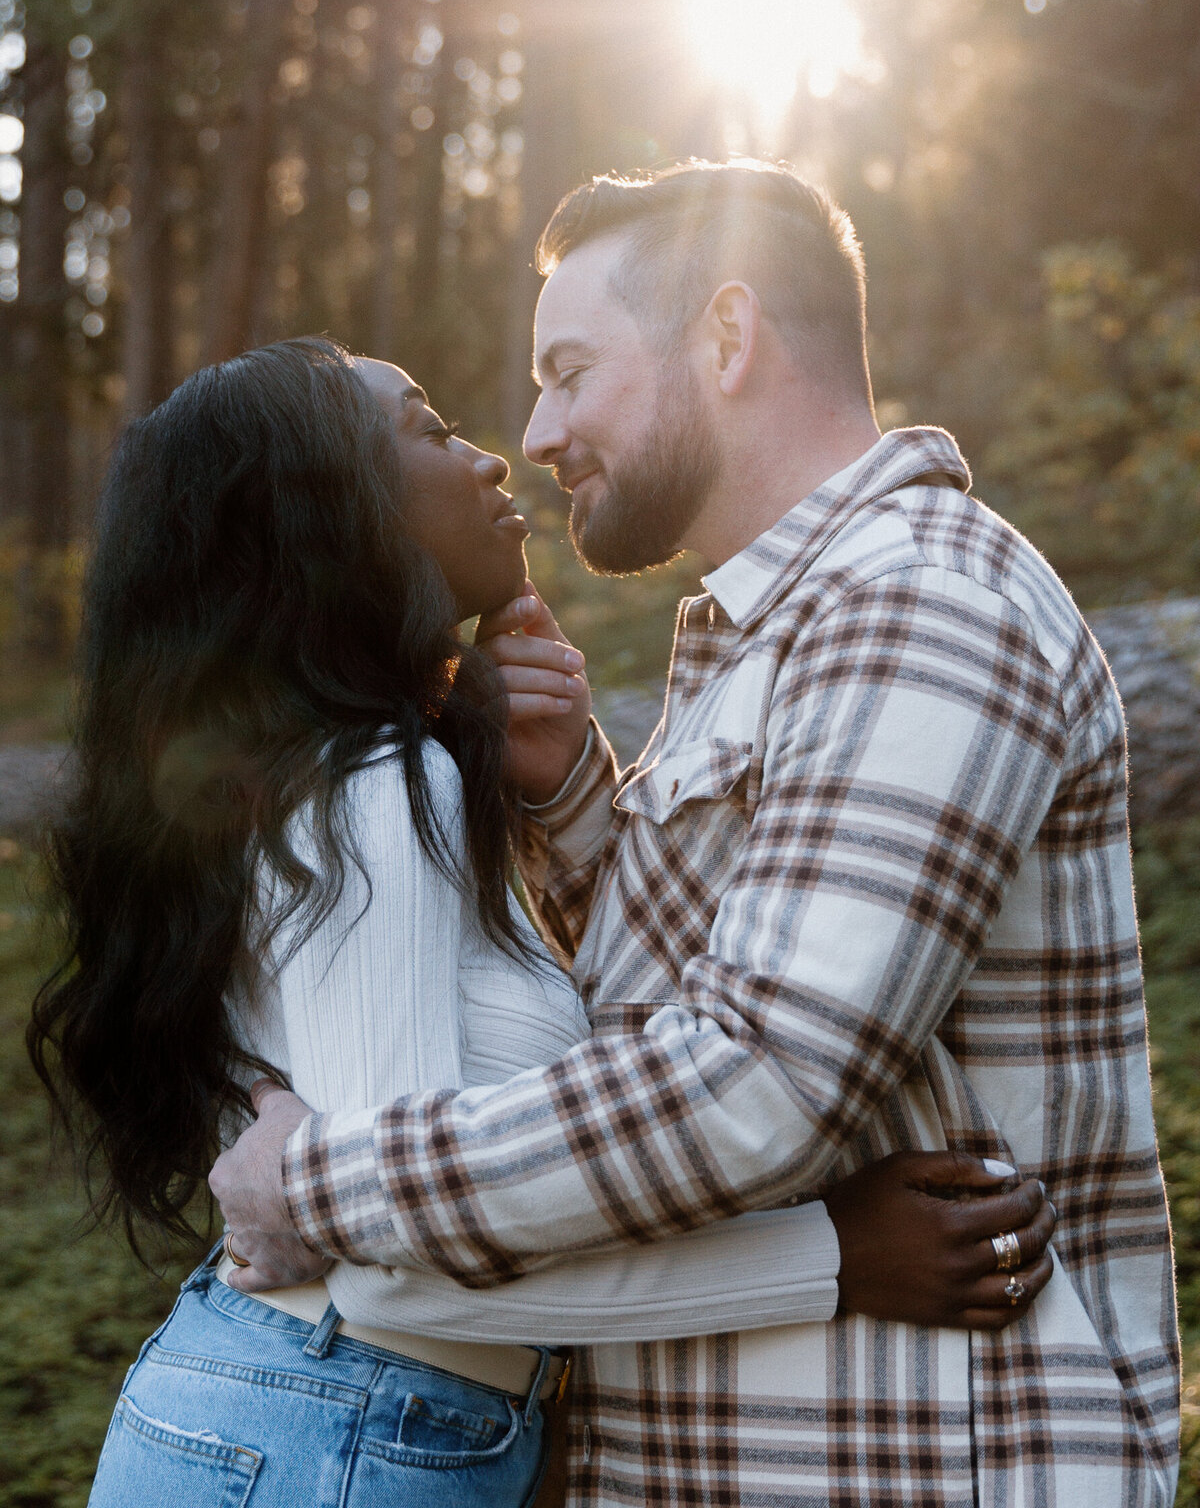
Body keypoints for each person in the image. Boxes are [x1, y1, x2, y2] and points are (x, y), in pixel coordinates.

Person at [213, 164, 1181, 1508]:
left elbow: (758, 1080)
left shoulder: (917, 607)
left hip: (918, 1456)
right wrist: (573, 809)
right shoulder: (782, 633)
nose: (538, 431)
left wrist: (314, 1180)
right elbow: (712, 982)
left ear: (725, 338)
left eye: (570, 369)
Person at [29, 336, 1052, 1508]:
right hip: (330, 1437)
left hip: (344, 1428)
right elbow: (396, 1282)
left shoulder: (367, 779)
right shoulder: (372, 788)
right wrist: (830, 1258)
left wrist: (561, 791)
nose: (496, 457)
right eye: (429, 429)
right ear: (336, 522)